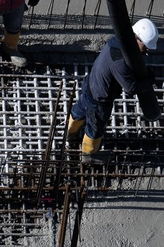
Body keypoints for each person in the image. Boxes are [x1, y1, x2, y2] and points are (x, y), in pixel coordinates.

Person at [66, 19, 159, 163]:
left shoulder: (117, 41)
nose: (147, 50)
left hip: (90, 85)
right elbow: (131, 88)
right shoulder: (119, 61)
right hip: (99, 100)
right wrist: (149, 81)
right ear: (136, 38)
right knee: (95, 128)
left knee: (79, 110)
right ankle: (88, 154)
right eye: (146, 46)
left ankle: (69, 132)